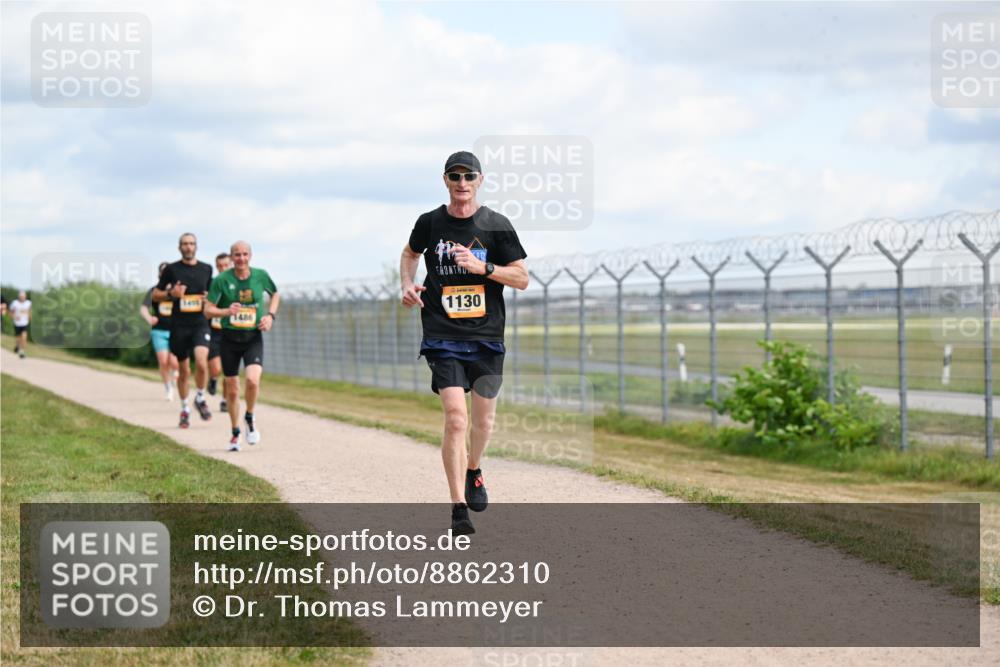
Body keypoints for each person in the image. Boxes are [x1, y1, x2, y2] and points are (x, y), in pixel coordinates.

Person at [400, 151, 528, 535]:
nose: (461, 183)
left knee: (483, 422)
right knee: (456, 419)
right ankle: (458, 508)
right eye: (454, 176)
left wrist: (482, 267)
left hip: (487, 337)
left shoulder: (495, 225)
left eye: (468, 176)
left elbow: (521, 278)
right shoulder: (430, 222)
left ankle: (474, 469)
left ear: (479, 179)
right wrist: (407, 284)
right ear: (445, 181)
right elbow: (410, 253)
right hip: (443, 335)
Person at [204, 240, 279, 451]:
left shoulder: (260, 275)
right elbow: (208, 310)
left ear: (251, 256)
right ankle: (235, 432)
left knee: (253, 382)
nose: (241, 258)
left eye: (245, 254)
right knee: (233, 390)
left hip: (252, 337)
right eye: (237, 255)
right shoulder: (221, 280)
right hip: (229, 339)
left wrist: (271, 316)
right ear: (231, 257)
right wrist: (226, 311)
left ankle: (250, 416)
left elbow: (275, 294)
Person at [153, 233, 214, 428]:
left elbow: (212, 295)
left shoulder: (206, 269)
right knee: (185, 370)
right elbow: (155, 294)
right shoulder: (171, 269)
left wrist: (208, 299)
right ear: (180, 247)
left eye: (192, 244)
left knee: (202, 363)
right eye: (185, 244)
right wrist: (172, 293)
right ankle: (185, 408)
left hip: (200, 323)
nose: (188, 247)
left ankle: (200, 397)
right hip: (179, 325)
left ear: (196, 246)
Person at [141, 262, 180, 400]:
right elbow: (143, 308)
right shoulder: (154, 291)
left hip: (176, 330)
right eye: (163, 272)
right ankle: (168, 388)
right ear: (160, 274)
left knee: (174, 362)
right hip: (159, 330)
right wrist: (149, 319)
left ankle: (176, 373)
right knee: (163, 362)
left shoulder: (178, 292)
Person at [207, 252, 233, 411]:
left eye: (226, 265)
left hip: (230, 331)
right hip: (214, 331)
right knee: (216, 368)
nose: (223, 269)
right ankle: (213, 378)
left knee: (229, 369)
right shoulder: (212, 283)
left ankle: (225, 400)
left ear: (231, 265)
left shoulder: (237, 283)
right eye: (220, 266)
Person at [9, 291, 32, 359]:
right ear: (19, 297)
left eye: (23, 297)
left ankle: (22, 351)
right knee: (18, 338)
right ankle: (17, 346)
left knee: (24, 337)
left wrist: (30, 317)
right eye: (21, 297)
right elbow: (11, 312)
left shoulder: (28, 303)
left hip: (25, 323)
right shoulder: (15, 303)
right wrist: (14, 317)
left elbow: (30, 311)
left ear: (25, 297)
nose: (22, 298)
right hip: (17, 323)